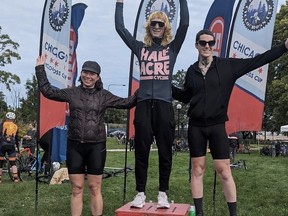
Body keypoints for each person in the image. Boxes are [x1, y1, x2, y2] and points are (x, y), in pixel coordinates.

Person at [172, 29, 288, 216]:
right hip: (196, 126)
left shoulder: (227, 66)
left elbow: (258, 60)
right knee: (197, 169)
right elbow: (186, 97)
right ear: (197, 45)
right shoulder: (191, 71)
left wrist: (284, 47)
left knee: (224, 170)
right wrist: (166, 86)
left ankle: (233, 213)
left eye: (211, 43)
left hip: (217, 125)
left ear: (214, 45)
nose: (207, 46)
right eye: (203, 43)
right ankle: (200, 213)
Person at [35, 55, 137, 216]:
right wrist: (40, 69)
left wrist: (142, 89)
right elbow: (48, 91)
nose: (88, 76)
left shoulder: (104, 95)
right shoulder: (72, 93)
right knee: (76, 188)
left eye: (92, 74)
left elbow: (127, 103)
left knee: (95, 188)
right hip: (75, 146)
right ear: (81, 73)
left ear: (97, 77)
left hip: (96, 146)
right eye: (85, 72)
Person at [115, 0, 189, 209]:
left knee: (165, 151)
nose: (157, 27)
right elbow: (120, 29)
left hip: (165, 105)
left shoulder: (172, 49)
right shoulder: (140, 48)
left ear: (165, 28)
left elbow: (184, 25)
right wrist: (119, 4)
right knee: (141, 151)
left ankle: (163, 193)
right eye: (154, 24)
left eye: (161, 24)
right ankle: (140, 192)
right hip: (144, 105)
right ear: (149, 27)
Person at [0, 112, 20, 183]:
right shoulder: (16, 126)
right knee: (13, 163)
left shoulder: (3, 124)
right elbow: (17, 139)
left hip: (2, 145)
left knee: (1, 163)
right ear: (14, 119)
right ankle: (15, 178)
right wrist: (18, 149)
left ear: (6, 118)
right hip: (11, 146)